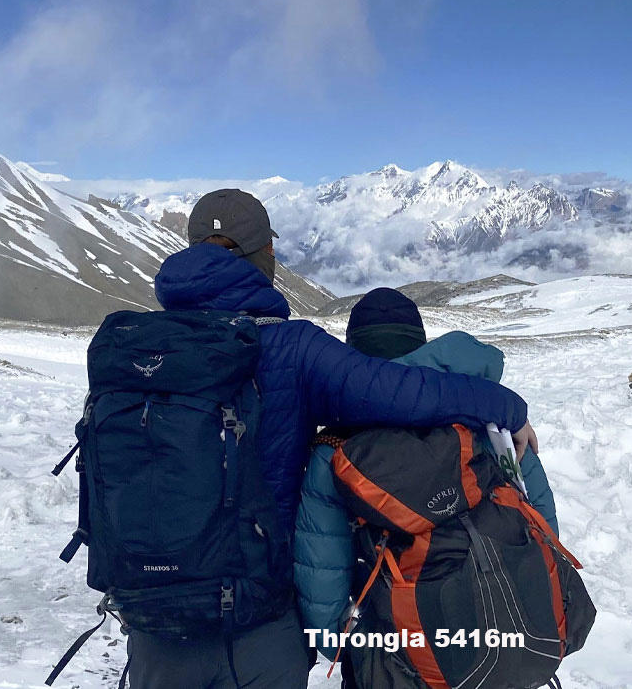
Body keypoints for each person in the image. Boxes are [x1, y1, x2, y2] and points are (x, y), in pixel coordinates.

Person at [126, 189, 538, 689]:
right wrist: (508, 409)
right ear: (267, 256)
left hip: (153, 612)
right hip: (260, 613)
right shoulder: (291, 347)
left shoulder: (129, 348)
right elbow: (399, 392)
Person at [292, 287, 559, 668]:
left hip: (400, 640)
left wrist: (342, 645)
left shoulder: (335, 445)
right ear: (420, 342)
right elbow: (540, 520)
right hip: (501, 623)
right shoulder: (491, 425)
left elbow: (323, 562)